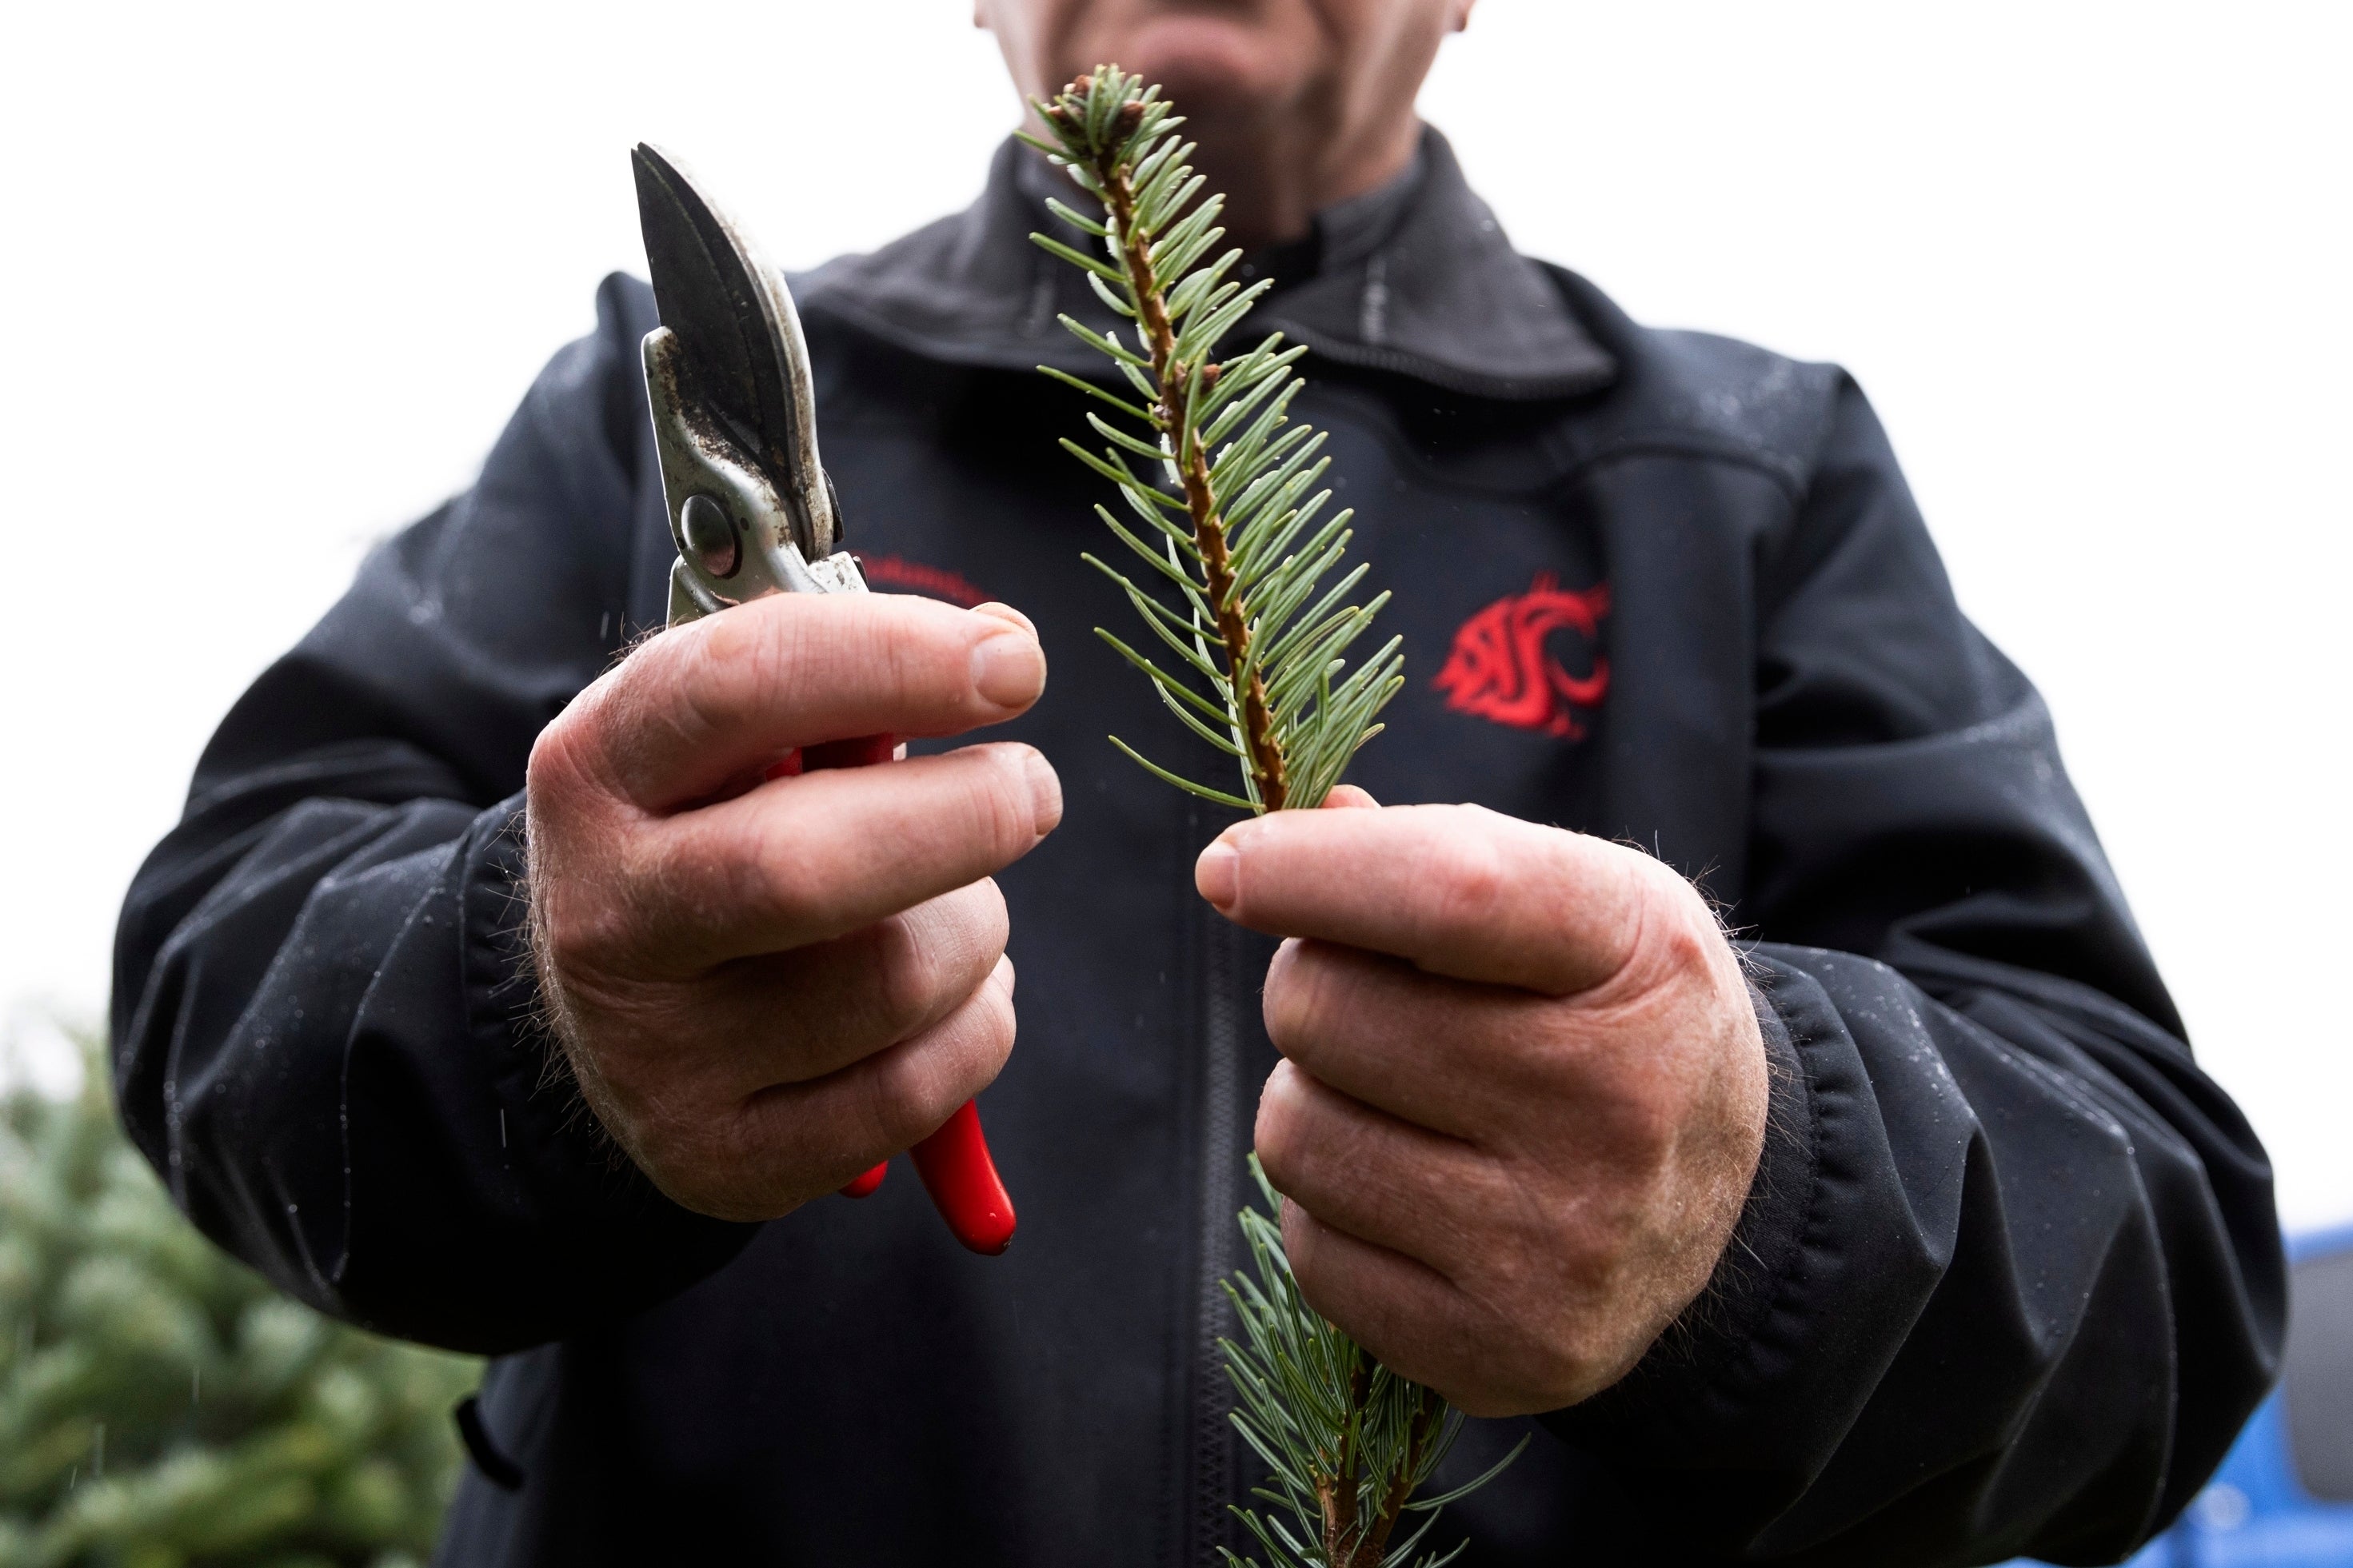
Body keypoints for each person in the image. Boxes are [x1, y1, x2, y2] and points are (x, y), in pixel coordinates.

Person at [112, 2, 2283, 1562]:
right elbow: (219, 968)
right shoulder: (656, 408)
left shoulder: (1749, 479)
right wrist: (533, 1003)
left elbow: (2164, 1278)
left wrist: (1766, 1193)